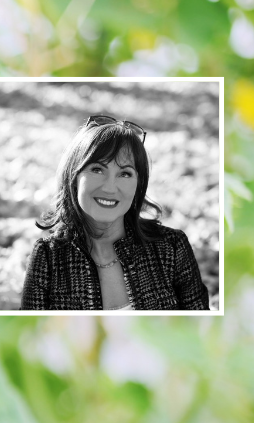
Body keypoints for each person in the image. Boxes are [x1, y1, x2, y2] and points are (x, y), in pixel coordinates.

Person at [20, 115, 210, 311]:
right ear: (73, 177)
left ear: (138, 185)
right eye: (97, 169)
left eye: (125, 173)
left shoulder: (172, 248)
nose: (110, 188)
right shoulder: (48, 258)